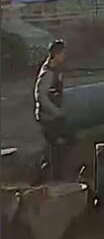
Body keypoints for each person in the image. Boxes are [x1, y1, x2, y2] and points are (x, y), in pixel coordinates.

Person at [34, 39, 72, 180]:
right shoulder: (48, 73)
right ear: (56, 54)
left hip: (53, 116)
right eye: (63, 53)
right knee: (59, 145)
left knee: (61, 143)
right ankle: (54, 177)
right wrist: (56, 112)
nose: (65, 55)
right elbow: (40, 96)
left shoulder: (56, 69)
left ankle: (47, 169)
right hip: (47, 117)